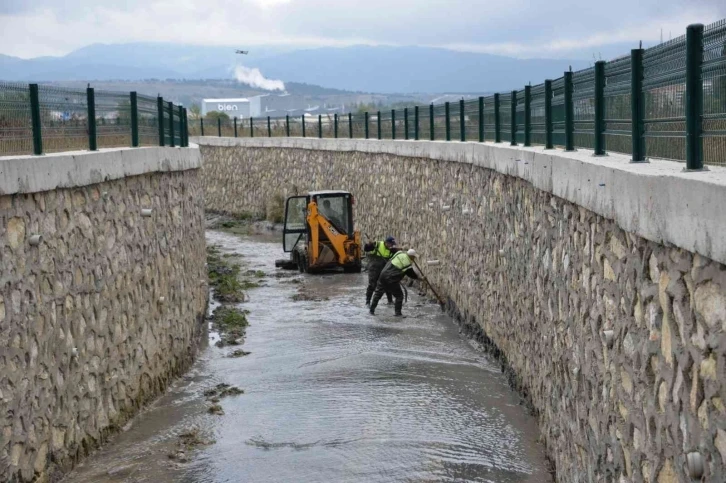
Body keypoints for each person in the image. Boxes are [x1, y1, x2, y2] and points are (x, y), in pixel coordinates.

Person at [369, 248, 420, 317]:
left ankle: (371, 311)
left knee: (378, 293)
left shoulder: (399, 253)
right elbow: (411, 274)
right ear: (411, 256)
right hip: (391, 278)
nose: (414, 259)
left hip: (383, 274)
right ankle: (398, 314)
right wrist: (420, 278)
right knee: (399, 296)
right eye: (414, 257)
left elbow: (393, 250)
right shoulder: (407, 261)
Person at [363, 236, 398, 306]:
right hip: (374, 268)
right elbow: (366, 249)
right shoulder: (377, 244)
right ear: (387, 243)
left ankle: (390, 301)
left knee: (388, 284)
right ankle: (368, 301)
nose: (392, 246)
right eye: (391, 244)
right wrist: (369, 245)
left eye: (393, 244)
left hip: (384, 269)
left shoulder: (392, 250)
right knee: (372, 285)